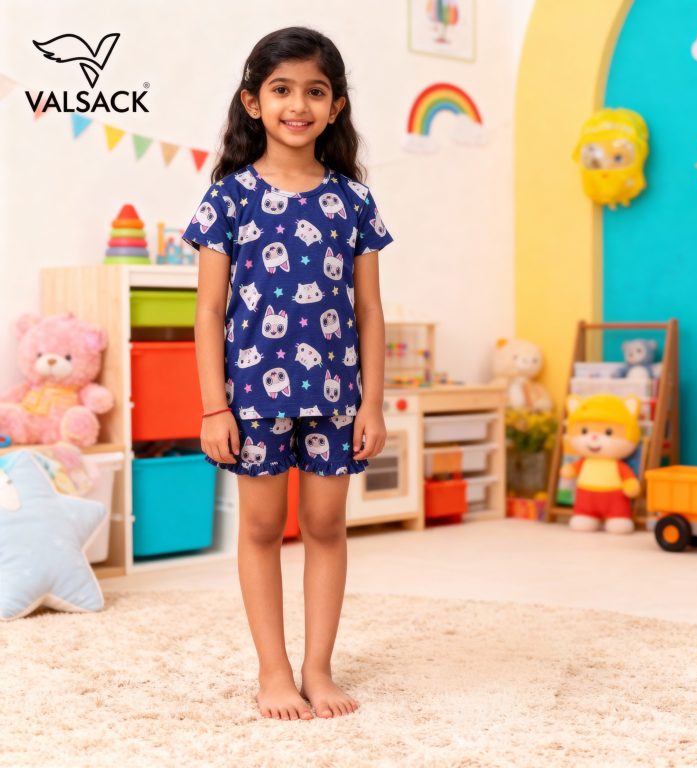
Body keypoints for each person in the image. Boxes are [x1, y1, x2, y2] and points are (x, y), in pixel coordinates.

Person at [181, 26, 394, 721]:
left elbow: (369, 310)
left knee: (326, 526)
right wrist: (214, 407)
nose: (298, 105)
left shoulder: (353, 202)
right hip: (251, 397)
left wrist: (372, 403)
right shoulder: (228, 198)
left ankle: (318, 668)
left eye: (315, 91)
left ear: (336, 106)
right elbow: (208, 311)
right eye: (281, 90)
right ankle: (273, 672)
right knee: (262, 527)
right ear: (253, 102)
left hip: (335, 393)